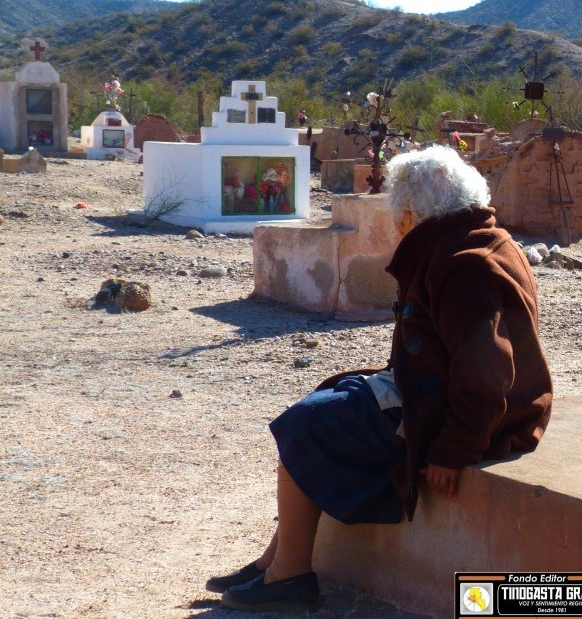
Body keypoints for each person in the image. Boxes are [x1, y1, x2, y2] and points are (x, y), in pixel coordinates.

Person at [206, 145, 554, 613]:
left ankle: (288, 577)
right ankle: (275, 561)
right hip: (440, 388)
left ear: (410, 216)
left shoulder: (464, 263)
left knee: (306, 426)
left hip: (474, 414)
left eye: (397, 217)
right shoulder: (472, 239)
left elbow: (487, 367)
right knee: (324, 401)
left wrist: (455, 448)